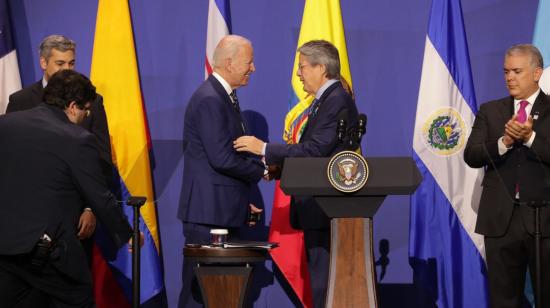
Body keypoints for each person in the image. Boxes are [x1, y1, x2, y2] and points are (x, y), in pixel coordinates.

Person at [234, 39, 359, 308]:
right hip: (318, 206)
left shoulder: (336, 100)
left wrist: (264, 147)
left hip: (327, 206)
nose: (299, 73)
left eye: (302, 67)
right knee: (319, 279)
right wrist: (280, 170)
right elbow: (316, 153)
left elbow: (315, 150)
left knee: (323, 281)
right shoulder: (324, 100)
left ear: (321, 68)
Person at [0, 70, 134, 308]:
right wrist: (126, 234)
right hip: (48, 254)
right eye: (86, 109)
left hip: (6, 251)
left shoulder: (6, 125)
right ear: (73, 106)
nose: (86, 115)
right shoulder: (77, 138)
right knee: (80, 299)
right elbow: (99, 197)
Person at [177, 35, 266, 308]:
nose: (253, 68)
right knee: (199, 293)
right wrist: (261, 171)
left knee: (220, 292)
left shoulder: (224, 97)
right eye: (248, 62)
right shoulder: (210, 99)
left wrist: (242, 199)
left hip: (220, 209)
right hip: (207, 214)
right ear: (229, 62)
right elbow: (222, 159)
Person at [7, 34, 114, 256]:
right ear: (43, 63)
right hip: (27, 219)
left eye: (71, 63)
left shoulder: (93, 101)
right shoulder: (20, 101)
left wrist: (90, 207)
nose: (67, 70)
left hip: (74, 218)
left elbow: (101, 159)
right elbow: (10, 159)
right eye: (60, 63)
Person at [464, 44, 550, 307]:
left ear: (536, 73)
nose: (510, 77)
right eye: (506, 72)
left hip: (543, 220)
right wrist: (505, 141)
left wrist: (530, 137)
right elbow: (472, 155)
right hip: (500, 221)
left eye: (517, 71)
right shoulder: (491, 111)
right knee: (503, 300)